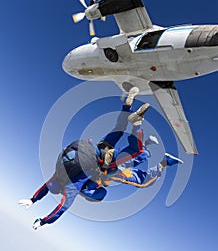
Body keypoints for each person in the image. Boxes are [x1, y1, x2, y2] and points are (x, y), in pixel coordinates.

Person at [18, 88, 151, 229]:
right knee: (119, 127)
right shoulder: (59, 172)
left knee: (137, 151)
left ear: (61, 189)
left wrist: (44, 221)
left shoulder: (71, 186)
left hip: (105, 159)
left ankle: (137, 123)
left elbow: (61, 208)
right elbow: (45, 187)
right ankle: (127, 105)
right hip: (97, 146)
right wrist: (32, 200)